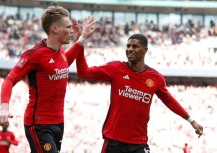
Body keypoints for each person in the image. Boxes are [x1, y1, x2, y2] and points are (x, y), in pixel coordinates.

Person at [75, 33, 203, 153]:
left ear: (145, 50)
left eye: (135, 46)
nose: (130, 49)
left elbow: (169, 100)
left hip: (139, 142)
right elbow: (83, 72)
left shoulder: (155, 78)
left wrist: (191, 120)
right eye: (128, 46)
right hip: (114, 141)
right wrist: (80, 42)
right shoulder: (116, 69)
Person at [0, 5, 97, 153]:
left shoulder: (60, 51)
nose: (71, 30)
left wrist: (81, 39)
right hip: (38, 124)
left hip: (58, 123)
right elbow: (10, 79)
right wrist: (4, 107)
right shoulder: (35, 54)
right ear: (55, 29)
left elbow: (64, 63)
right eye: (68, 27)